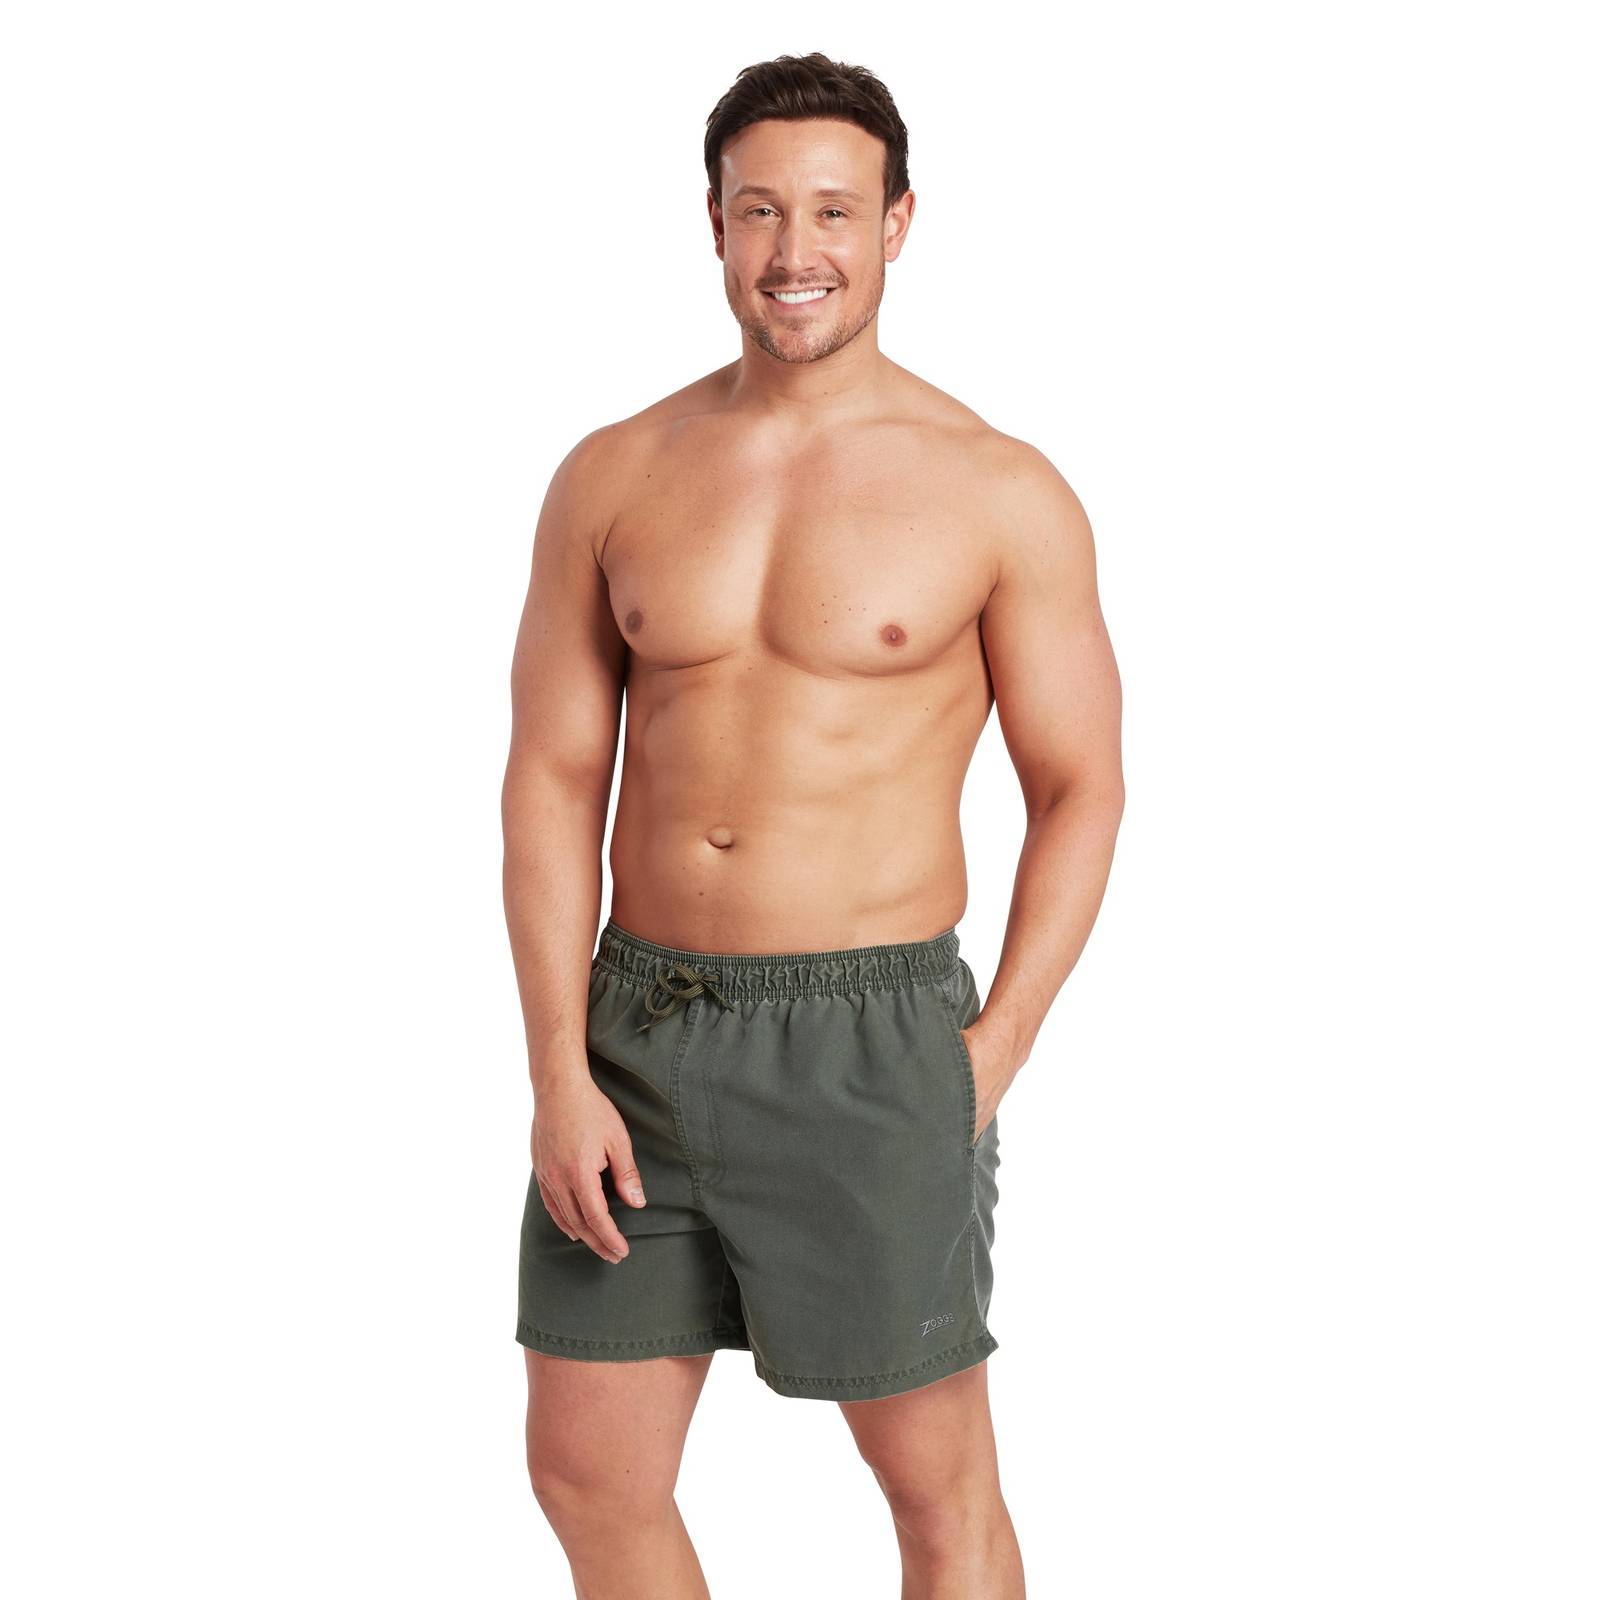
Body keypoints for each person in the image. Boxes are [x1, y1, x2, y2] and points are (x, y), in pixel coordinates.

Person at [502, 51, 1124, 1600]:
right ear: (713, 223)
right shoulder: (613, 475)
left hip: (871, 1039)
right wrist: (559, 1068)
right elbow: (553, 777)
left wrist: (992, 1052)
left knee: (935, 1490)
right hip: (641, 1029)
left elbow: (1081, 786)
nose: (797, 250)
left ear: (898, 223)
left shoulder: (999, 490)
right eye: (762, 210)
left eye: (835, 211)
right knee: (586, 1469)